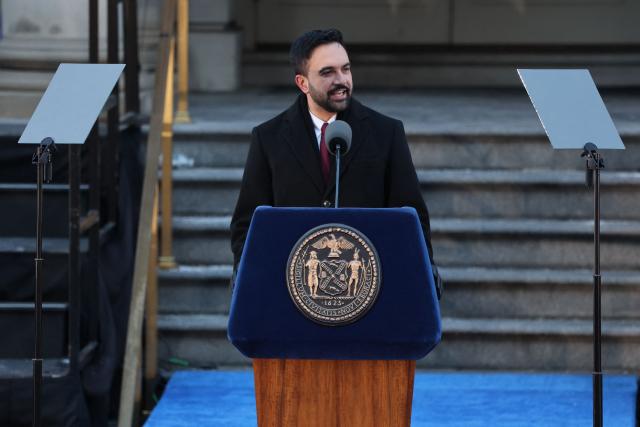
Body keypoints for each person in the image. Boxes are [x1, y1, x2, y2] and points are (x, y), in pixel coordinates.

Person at [230, 29, 442, 298]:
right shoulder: (268, 138)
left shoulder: (386, 133)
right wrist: (251, 276)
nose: (342, 80)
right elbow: (246, 223)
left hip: (370, 293)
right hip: (290, 295)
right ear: (303, 82)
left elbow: (412, 218)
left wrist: (421, 273)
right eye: (327, 72)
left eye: (346, 69)